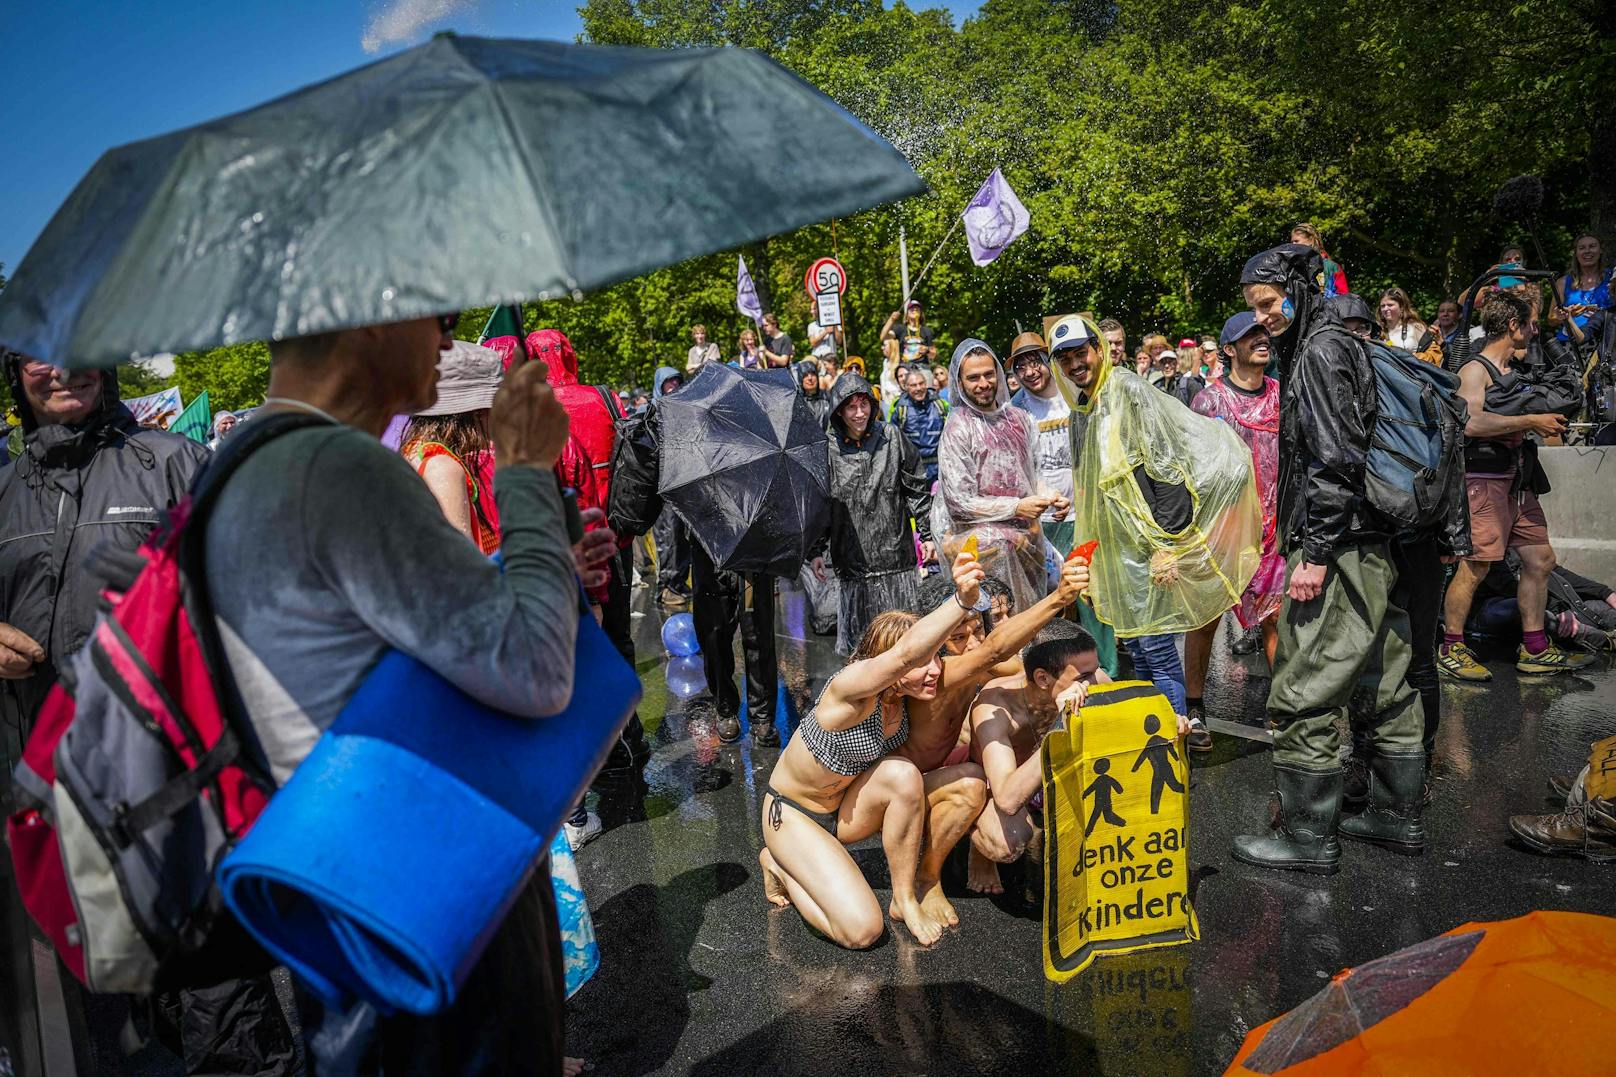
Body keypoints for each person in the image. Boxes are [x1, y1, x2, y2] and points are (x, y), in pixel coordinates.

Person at [204, 313, 586, 1072]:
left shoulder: (244, 460)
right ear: (372, 321)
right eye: (438, 317)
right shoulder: (344, 474)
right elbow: (537, 671)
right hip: (431, 898)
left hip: (346, 899)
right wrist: (525, 474)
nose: (449, 343)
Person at [1, 351, 212, 1071]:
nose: (63, 367)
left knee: (223, 1017)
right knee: (103, 1035)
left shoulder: (177, 462)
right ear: (12, 372)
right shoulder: (1, 490)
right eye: (39, 353)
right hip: (58, 809)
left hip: (183, 806)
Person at [1231, 243, 1427, 875]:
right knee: (1384, 674)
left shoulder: (1318, 350)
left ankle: (1309, 834)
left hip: (1338, 545)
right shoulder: (1337, 340)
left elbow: (1333, 459)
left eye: (1268, 302)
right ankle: (1398, 817)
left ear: (1298, 288)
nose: (1264, 317)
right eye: (1254, 309)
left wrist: (1313, 552)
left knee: (1304, 682)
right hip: (1368, 539)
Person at [759, 552, 991, 948]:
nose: (935, 668)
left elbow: (994, 654)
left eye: (937, 657)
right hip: (794, 815)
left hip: (843, 811)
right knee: (863, 932)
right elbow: (905, 654)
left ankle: (905, 899)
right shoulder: (850, 691)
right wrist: (961, 601)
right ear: (890, 664)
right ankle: (779, 862)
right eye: (925, 660)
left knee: (907, 774)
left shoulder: (900, 699)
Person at [1050, 314, 1259, 748]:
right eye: (1065, 358)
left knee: (1160, 651)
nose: (1074, 364)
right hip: (1120, 553)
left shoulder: (1126, 390)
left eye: (1081, 353)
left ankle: (1173, 741)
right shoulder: (1084, 407)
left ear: (1098, 350)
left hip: (1149, 549)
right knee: (1142, 652)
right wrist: (1091, 557)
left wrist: (1170, 545)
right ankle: (1155, 746)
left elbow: (1166, 470)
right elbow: (1091, 493)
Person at [1438, 291, 1592, 679]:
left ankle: (1536, 648)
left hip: (1518, 480)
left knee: (1540, 560)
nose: (1533, 330)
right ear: (1513, 326)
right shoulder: (1476, 370)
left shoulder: (1515, 369)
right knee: (1476, 567)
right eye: (1530, 323)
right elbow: (1470, 424)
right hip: (1484, 480)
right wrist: (1530, 422)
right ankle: (1451, 648)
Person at [526, 328, 650, 770]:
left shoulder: (533, 412)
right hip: (616, 535)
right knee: (619, 639)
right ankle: (630, 734)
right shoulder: (603, 397)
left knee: (580, 648)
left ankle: (606, 743)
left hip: (569, 544)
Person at [1183, 313, 1283, 747]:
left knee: (1276, 620)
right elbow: (1193, 469)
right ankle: (1194, 706)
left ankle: (1283, 709)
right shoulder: (1210, 401)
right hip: (1221, 530)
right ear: (1228, 349)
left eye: (1263, 334)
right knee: (1205, 619)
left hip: (1273, 527)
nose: (1262, 341)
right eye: (1250, 337)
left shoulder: (1282, 396)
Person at [967, 621, 1121, 892]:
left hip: (1055, 779)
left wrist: (1171, 725)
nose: (1092, 681)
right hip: (1003, 789)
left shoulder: (1093, 678)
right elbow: (1007, 799)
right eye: (1082, 677)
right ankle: (974, 845)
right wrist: (1061, 724)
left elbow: (1132, 719)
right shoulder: (996, 705)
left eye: (1094, 670)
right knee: (1006, 843)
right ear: (1042, 678)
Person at [932, 338, 1068, 613]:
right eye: (973, 377)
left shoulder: (1019, 419)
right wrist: (1017, 507)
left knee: (1034, 621)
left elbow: (1032, 475)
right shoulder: (958, 429)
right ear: (959, 382)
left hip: (1028, 542)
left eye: (988, 373)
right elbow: (960, 504)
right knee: (997, 627)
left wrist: (1049, 496)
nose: (983, 383)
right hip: (985, 553)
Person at [813, 371, 934, 656]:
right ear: (839, 411)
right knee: (863, 650)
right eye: (851, 407)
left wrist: (926, 534)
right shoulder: (827, 449)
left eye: (864, 405)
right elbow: (820, 506)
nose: (859, 413)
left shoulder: (891, 436)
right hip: (854, 564)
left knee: (904, 646)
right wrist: (816, 550)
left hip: (897, 559)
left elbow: (916, 487)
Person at [1008, 329, 1075, 553]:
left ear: (1048, 362)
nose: (1029, 372)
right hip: (1041, 517)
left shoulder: (1072, 395)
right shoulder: (1016, 410)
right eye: (1020, 367)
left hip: (1085, 508)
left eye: (1035, 362)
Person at [650, 365, 693, 610]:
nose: (674, 386)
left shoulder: (683, 410)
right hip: (664, 485)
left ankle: (679, 582)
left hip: (682, 482)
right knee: (668, 537)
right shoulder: (654, 412)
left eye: (677, 381)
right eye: (669, 382)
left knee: (682, 537)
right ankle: (667, 587)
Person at [888, 364, 950, 483]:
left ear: (926, 384)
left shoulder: (939, 405)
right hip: (913, 472)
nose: (918, 388)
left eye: (921, 383)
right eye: (913, 385)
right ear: (906, 387)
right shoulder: (901, 410)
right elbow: (893, 441)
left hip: (940, 470)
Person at [1552, 233, 1611, 343]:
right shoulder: (1562, 282)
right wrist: (1568, 315)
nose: (1587, 251)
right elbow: (1551, 320)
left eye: (1592, 246)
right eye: (1582, 248)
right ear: (1576, 253)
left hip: (1605, 347)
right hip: (1570, 345)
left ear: (1601, 250)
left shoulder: (1612, 280)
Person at [1289, 222, 1349, 297]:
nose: (1293, 245)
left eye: (1296, 241)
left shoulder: (1332, 267)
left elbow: (1345, 297)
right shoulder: (1293, 267)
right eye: (1292, 242)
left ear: (1311, 240)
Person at [881, 300, 937, 369]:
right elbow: (883, 336)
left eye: (917, 308)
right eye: (912, 308)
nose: (915, 310)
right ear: (907, 314)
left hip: (923, 367)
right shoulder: (901, 329)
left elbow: (933, 354)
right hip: (905, 368)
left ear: (921, 313)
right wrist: (891, 320)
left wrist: (927, 350)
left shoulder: (927, 331)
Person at [1378, 287, 1431, 352]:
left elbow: (1430, 353)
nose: (1386, 309)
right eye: (1383, 306)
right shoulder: (1379, 331)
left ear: (1402, 307)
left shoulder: (1416, 327)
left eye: (1390, 305)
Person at [796, 359, 830, 426]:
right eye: (805, 375)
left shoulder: (828, 397)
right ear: (800, 379)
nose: (810, 378)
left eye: (813, 374)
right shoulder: (797, 402)